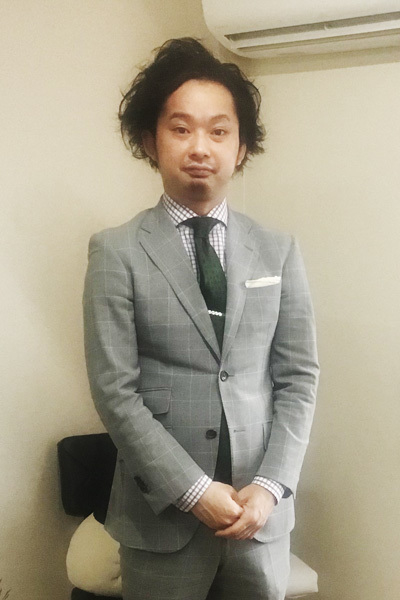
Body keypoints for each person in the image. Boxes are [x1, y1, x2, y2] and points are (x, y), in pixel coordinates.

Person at [83, 38, 319, 600]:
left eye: (218, 131)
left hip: (259, 516)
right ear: (151, 141)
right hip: (161, 519)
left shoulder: (278, 250)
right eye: (180, 128)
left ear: (241, 148)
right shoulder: (115, 251)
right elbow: (115, 392)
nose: (200, 148)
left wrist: (270, 486)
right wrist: (192, 490)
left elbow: (298, 378)